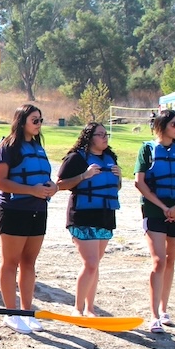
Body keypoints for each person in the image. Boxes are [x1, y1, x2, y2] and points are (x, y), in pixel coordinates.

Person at [0, 104, 56, 334]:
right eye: (34, 120)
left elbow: (44, 177)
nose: (39, 124)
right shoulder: (8, 147)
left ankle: (27, 312)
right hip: (14, 210)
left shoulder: (38, 147)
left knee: (29, 262)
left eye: (40, 120)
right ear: (22, 121)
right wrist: (31, 191)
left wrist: (52, 187)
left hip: (38, 210)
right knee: (11, 262)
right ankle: (11, 312)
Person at [134, 109, 175, 334]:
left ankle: (164, 309)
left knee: (170, 261)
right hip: (155, 211)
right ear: (163, 125)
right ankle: (154, 315)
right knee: (159, 261)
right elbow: (139, 182)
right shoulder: (147, 149)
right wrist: (163, 207)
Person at [55, 123, 121, 317]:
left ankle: (90, 308)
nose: (105, 137)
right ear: (89, 137)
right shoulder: (76, 158)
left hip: (105, 216)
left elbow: (114, 188)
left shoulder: (111, 158)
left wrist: (119, 178)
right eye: (100, 134)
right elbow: (60, 184)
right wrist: (84, 175)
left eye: (105, 134)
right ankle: (77, 308)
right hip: (83, 216)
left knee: (95, 264)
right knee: (91, 263)